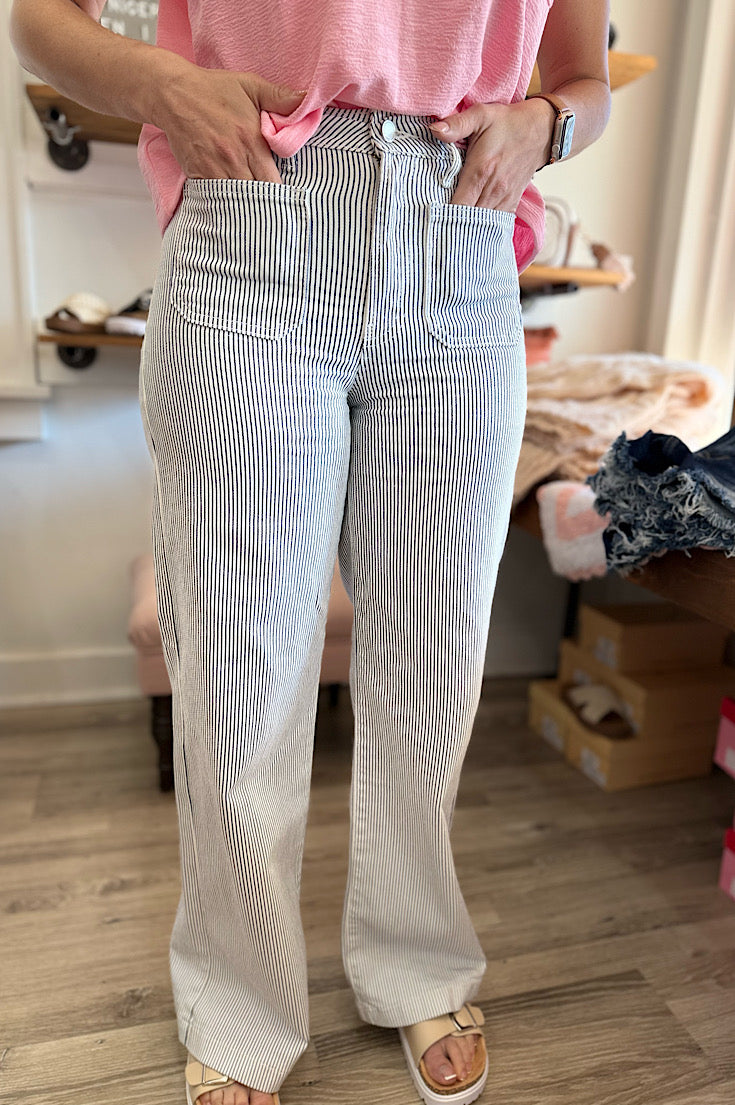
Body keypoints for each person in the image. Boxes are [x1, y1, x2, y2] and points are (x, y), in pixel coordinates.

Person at [9, 2, 611, 1103]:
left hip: (461, 236)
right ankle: (238, 1001)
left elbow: (585, 77)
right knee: (239, 673)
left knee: (434, 661)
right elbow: (40, 20)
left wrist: (547, 125)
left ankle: (417, 959)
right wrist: (162, 87)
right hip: (258, 219)